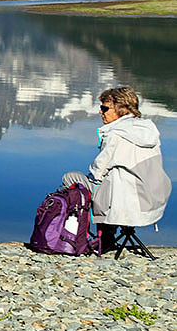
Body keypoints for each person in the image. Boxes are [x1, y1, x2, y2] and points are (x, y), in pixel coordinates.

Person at [62, 87, 171, 249]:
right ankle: (105, 235)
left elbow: (98, 171)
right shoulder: (148, 130)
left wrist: (90, 179)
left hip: (127, 201)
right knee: (112, 182)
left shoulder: (115, 134)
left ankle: (87, 236)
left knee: (72, 178)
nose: (100, 112)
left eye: (105, 108)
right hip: (153, 198)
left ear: (122, 109)